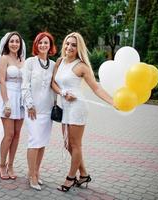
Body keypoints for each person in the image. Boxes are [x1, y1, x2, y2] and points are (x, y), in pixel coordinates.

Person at [51, 32, 114, 192]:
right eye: (67, 43)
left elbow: (96, 88)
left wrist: (113, 101)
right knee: (67, 144)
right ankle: (84, 174)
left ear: (78, 48)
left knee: (75, 144)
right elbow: (53, 83)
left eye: (73, 45)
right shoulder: (59, 62)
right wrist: (64, 93)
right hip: (65, 106)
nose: (69, 47)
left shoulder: (82, 66)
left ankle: (71, 178)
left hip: (77, 107)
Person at [21, 32, 57, 190]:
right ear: (36, 45)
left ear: (50, 46)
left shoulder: (54, 64)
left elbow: (55, 86)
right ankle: (31, 175)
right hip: (33, 110)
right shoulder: (30, 62)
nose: (43, 45)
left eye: (46, 43)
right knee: (34, 141)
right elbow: (25, 85)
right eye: (40, 43)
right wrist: (29, 104)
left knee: (42, 143)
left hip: (47, 109)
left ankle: (36, 172)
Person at [0, 32, 26, 180]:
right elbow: (1, 80)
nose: (15, 44)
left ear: (20, 44)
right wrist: (6, 102)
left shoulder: (22, 59)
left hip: (20, 99)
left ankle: (11, 164)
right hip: (7, 96)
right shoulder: (4, 58)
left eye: (17, 41)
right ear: (7, 43)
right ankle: (1, 165)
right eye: (12, 41)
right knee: (9, 135)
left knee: (17, 135)